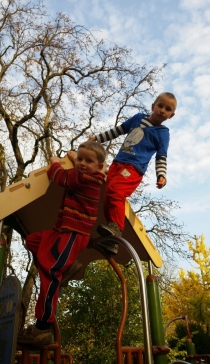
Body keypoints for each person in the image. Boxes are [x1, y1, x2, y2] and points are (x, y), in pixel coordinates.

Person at [18, 141, 106, 345]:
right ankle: (67, 267)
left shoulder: (87, 179)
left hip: (73, 234)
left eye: (89, 161)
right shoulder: (87, 174)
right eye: (81, 159)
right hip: (61, 232)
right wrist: (75, 157)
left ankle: (43, 327)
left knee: (50, 274)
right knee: (32, 240)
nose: (82, 163)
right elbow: (78, 161)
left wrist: (54, 162)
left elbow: (58, 176)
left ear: (99, 167)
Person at [89, 92, 177, 255]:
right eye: (160, 106)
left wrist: (161, 175)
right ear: (153, 106)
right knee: (108, 195)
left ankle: (116, 228)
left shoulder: (163, 133)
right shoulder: (138, 118)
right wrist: (98, 138)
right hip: (117, 163)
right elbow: (118, 130)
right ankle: (112, 240)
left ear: (171, 115)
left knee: (116, 192)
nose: (162, 110)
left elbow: (161, 156)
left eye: (168, 109)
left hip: (133, 168)